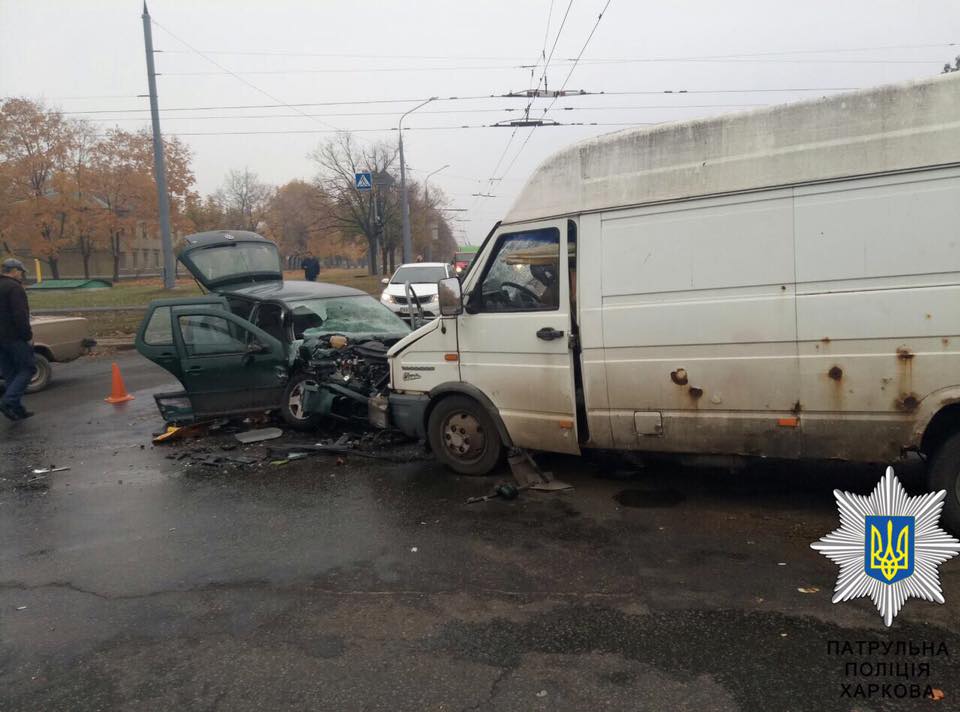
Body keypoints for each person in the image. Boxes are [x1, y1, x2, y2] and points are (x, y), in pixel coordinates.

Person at [0, 258, 36, 421]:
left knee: (11, 374)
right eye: (21, 272)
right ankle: (9, 401)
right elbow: (19, 315)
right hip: (14, 338)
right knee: (28, 369)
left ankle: (17, 409)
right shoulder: (14, 288)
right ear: (14, 271)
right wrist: (27, 336)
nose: (22, 275)